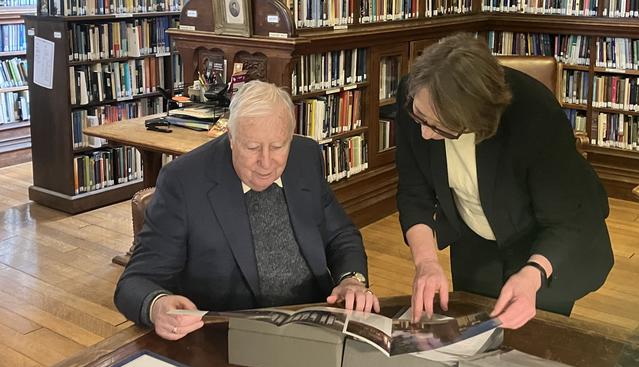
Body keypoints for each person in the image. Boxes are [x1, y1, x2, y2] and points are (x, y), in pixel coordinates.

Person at [115, 81, 378, 340]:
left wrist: (351, 280)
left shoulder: (305, 155)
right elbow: (135, 282)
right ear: (231, 137)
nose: (265, 162)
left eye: (278, 147)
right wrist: (157, 305)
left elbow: (341, 235)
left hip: (313, 325)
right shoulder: (183, 181)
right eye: (252, 148)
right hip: (228, 337)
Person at [395, 33, 613, 328]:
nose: (425, 134)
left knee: (536, 336)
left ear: (475, 121)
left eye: (440, 128)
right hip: (474, 239)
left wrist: (532, 273)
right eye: (419, 117)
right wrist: (426, 262)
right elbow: (413, 191)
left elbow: (569, 220)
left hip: (544, 240)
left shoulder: (534, 115)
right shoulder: (416, 95)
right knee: (475, 330)